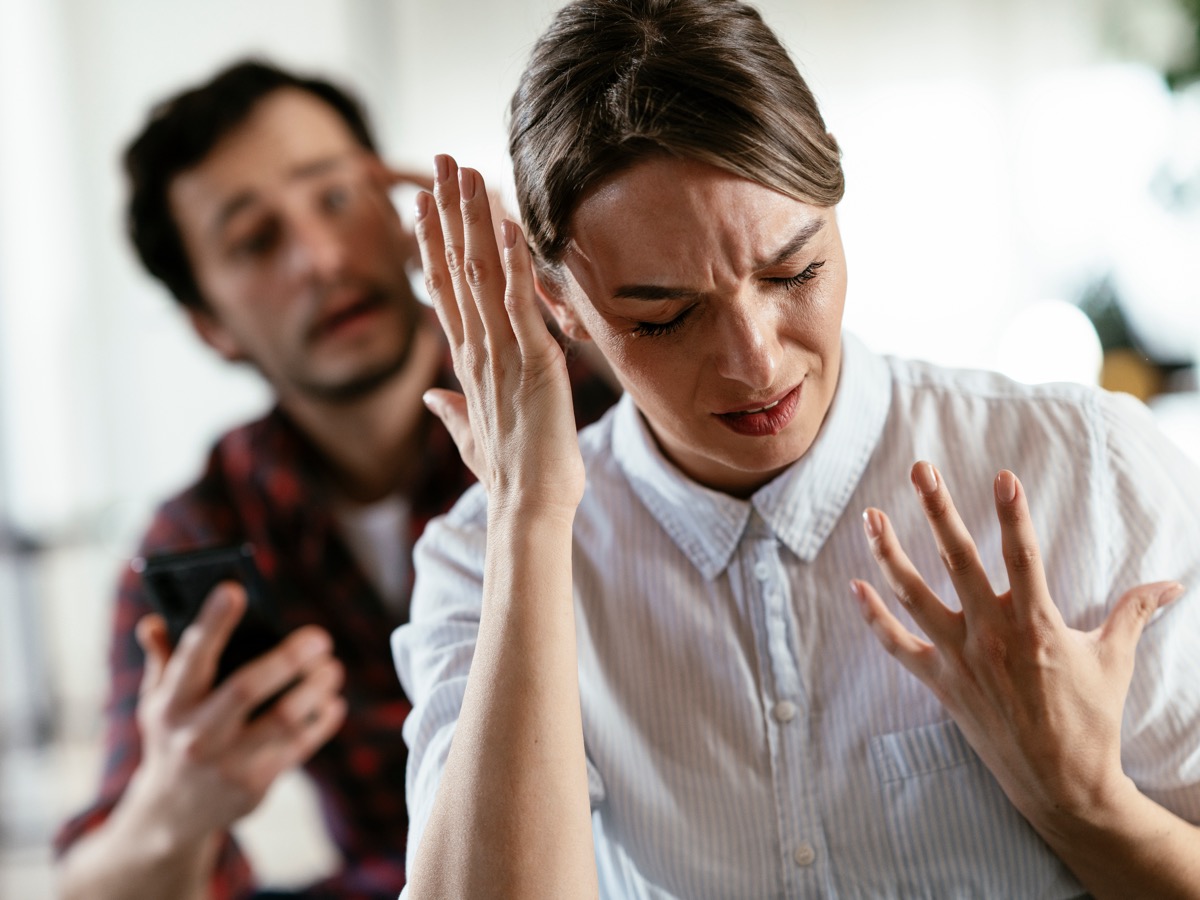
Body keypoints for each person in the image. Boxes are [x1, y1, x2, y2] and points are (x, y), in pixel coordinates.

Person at [392, 0, 1200, 897]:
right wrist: (531, 518)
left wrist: (1086, 803)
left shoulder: (1085, 471)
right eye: (663, 317)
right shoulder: (483, 559)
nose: (755, 361)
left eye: (794, 272)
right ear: (560, 306)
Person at [53, 59, 619, 900]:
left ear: (398, 214)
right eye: (255, 240)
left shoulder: (596, 391)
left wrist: (579, 290)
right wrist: (176, 806)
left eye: (336, 198)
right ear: (213, 326)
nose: (318, 257)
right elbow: (83, 886)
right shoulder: (205, 532)